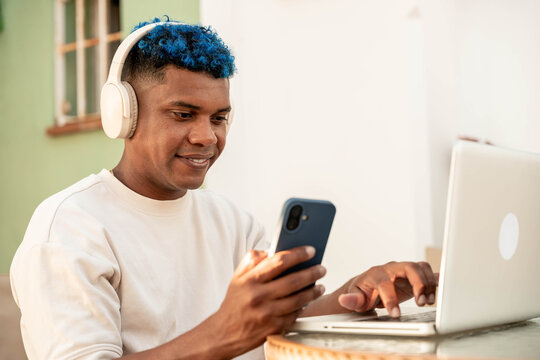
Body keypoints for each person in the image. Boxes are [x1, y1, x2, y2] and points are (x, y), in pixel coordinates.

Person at [10, 18, 437, 360]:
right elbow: (236, 332)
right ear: (124, 115)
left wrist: (360, 294)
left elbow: (277, 321)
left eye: (219, 118)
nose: (207, 137)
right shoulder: (69, 230)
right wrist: (223, 335)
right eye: (183, 114)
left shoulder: (230, 221)